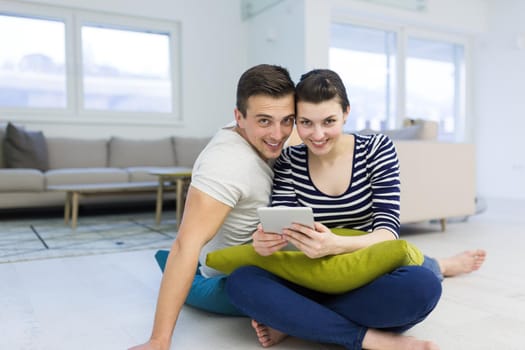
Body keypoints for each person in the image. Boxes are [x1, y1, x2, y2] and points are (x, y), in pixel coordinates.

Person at [225, 69, 486, 350]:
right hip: (308, 276)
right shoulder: (290, 160)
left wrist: (334, 244)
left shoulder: (376, 149)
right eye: (306, 123)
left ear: (346, 113)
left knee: (423, 286)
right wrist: (266, 243)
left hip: (365, 275)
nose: (318, 134)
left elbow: (387, 234)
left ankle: (296, 320)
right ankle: (370, 339)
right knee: (241, 281)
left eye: (329, 121)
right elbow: (282, 227)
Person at [129, 64, 297, 350]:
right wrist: (159, 340)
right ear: (239, 117)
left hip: (265, 252)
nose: (278, 134)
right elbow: (185, 245)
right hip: (230, 280)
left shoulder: (269, 135)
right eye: (265, 121)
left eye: (287, 120)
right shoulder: (227, 164)